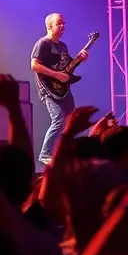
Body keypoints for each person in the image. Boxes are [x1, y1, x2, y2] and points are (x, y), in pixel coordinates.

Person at [31, 13, 88, 166]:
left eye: (63, 23)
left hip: (63, 89)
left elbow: (68, 69)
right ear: (49, 26)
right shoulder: (43, 43)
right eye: (59, 23)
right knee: (58, 119)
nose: (63, 26)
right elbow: (35, 65)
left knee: (72, 119)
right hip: (48, 90)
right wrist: (56, 75)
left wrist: (80, 59)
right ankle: (44, 153)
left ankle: (69, 151)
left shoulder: (62, 46)